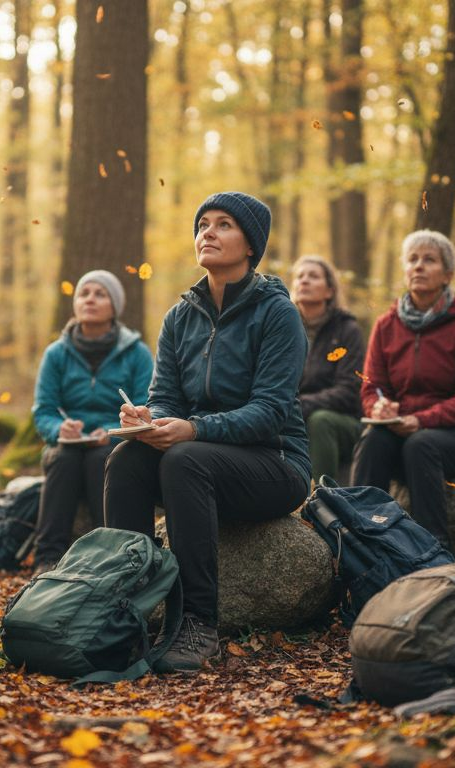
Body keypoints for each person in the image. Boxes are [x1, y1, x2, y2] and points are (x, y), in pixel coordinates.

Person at [105, 191, 310, 673]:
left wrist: (194, 429)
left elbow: (271, 412)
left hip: (274, 464)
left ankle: (198, 622)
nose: (208, 233)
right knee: (127, 461)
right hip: (199, 463)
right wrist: (149, 419)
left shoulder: (278, 314)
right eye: (202, 224)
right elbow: (167, 398)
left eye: (223, 225)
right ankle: (123, 610)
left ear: (251, 245)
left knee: (184, 458)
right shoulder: (180, 316)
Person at [351, 231, 455, 549]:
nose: (418, 267)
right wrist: (378, 408)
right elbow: (372, 388)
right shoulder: (387, 324)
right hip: (400, 431)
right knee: (373, 440)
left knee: (420, 444)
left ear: (448, 274)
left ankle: (433, 546)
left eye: (429, 260)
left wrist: (421, 420)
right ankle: (357, 536)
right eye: (412, 260)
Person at [30, 269, 154, 574]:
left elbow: (145, 407)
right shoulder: (56, 354)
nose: (90, 300)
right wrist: (58, 429)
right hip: (68, 444)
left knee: (103, 458)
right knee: (62, 459)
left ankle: (106, 552)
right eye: (84, 294)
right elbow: (43, 409)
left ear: (115, 306)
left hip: (113, 441)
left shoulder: (136, 353)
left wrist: (113, 434)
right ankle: (47, 558)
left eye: (100, 294)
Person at [291, 255, 365, 482]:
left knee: (320, 421)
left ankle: (323, 497)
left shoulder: (347, 330)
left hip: (342, 422)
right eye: (300, 276)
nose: (304, 281)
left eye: (313, 276)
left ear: (329, 291)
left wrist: (301, 406)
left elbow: (349, 390)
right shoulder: (284, 328)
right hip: (294, 415)